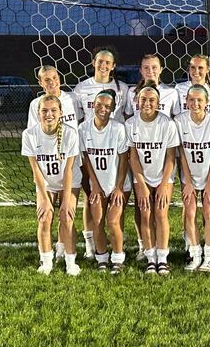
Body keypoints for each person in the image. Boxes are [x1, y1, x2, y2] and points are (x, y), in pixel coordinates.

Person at [73, 46, 130, 259]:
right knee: (92, 199)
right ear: (93, 62)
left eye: (108, 62)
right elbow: (79, 119)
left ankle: (117, 246)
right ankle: (92, 245)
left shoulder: (122, 88)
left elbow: (127, 116)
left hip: (114, 149)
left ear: (113, 66)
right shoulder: (81, 88)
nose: (103, 65)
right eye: (100, 61)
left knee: (116, 208)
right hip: (91, 150)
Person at [124, 55, 178, 262]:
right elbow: (133, 156)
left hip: (163, 169)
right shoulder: (132, 122)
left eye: (154, 67)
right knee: (144, 211)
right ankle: (147, 252)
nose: (147, 103)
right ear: (137, 101)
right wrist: (141, 182)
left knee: (161, 213)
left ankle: (162, 257)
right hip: (142, 173)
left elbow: (171, 155)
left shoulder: (168, 119)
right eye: (146, 67)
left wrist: (165, 182)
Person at [21, 95, 82, 276]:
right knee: (45, 216)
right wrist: (45, 200)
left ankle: (71, 262)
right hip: (45, 182)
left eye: (53, 110)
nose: (49, 114)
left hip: (69, 181)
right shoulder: (29, 134)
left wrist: (65, 202)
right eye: (44, 110)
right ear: (38, 113)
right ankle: (46, 261)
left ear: (60, 113)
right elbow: (35, 170)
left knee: (66, 216)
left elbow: (69, 170)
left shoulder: (71, 134)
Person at [175, 84, 210, 272]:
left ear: (207, 102)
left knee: (209, 212)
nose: (195, 103)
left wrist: (209, 183)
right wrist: (188, 182)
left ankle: (209, 257)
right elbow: (181, 153)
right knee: (189, 212)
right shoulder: (180, 121)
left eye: (199, 100)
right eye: (191, 99)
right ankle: (195, 254)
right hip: (189, 174)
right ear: (186, 101)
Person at [78, 90, 131, 274]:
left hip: (119, 183)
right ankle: (102, 258)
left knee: (113, 220)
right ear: (93, 105)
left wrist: (118, 187)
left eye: (107, 106)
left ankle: (118, 259)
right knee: (98, 220)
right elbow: (85, 159)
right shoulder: (83, 129)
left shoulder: (118, 129)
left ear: (113, 109)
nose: (102, 108)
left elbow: (124, 159)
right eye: (99, 104)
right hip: (97, 183)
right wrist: (95, 185)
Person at [124, 53, 179, 119]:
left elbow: (176, 117)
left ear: (160, 70)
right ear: (141, 70)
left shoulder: (171, 92)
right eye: (146, 67)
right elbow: (128, 117)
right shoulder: (132, 92)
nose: (150, 71)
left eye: (154, 67)